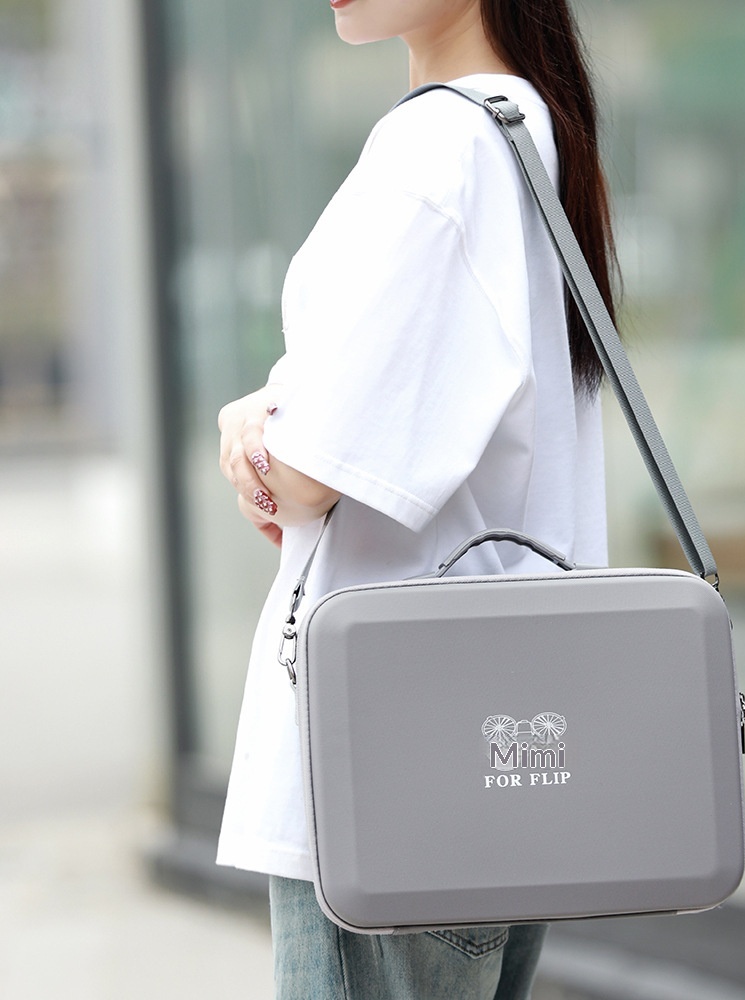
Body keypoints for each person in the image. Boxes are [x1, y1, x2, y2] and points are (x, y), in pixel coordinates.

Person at [216, 1, 619, 996]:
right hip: (493, 751)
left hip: (388, 768)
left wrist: (248, 431)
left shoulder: (442, 146)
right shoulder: (525, 128)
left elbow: (310, 472)